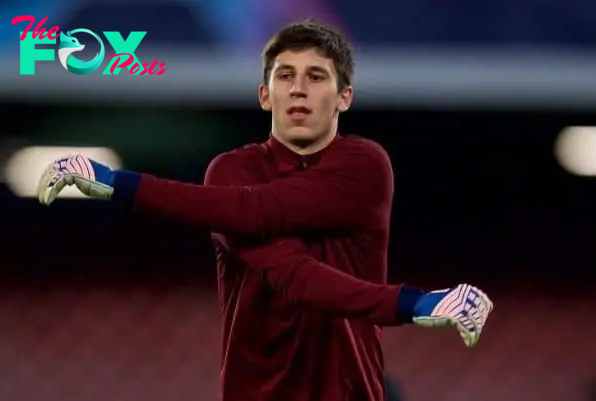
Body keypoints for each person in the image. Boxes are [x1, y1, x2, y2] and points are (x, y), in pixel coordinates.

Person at [35, 19, 493, 401]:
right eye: (285, 76)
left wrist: (119, 185)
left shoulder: (364, 165)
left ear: (344, 97)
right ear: (264, 95)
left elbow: (260, 216)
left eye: (316, 77)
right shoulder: (232, 171)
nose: (299, 90)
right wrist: (415, 303)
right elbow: (289, 268)